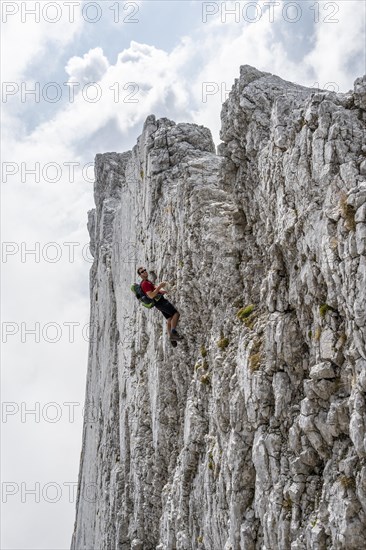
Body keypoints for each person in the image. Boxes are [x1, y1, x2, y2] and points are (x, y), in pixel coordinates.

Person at [137, 267, 182, 342]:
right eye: (142, 272)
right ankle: (173, 333)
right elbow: (151, 295)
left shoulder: (146, 282)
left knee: (169, 319)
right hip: (160, 302)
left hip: (158, 303)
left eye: (145, 270)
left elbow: (154, 290)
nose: (144, 272)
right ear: (140, 275)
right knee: (176, 314)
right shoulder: (145, 284)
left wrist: (161, 291)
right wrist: (160, 286)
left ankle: (171, 337)